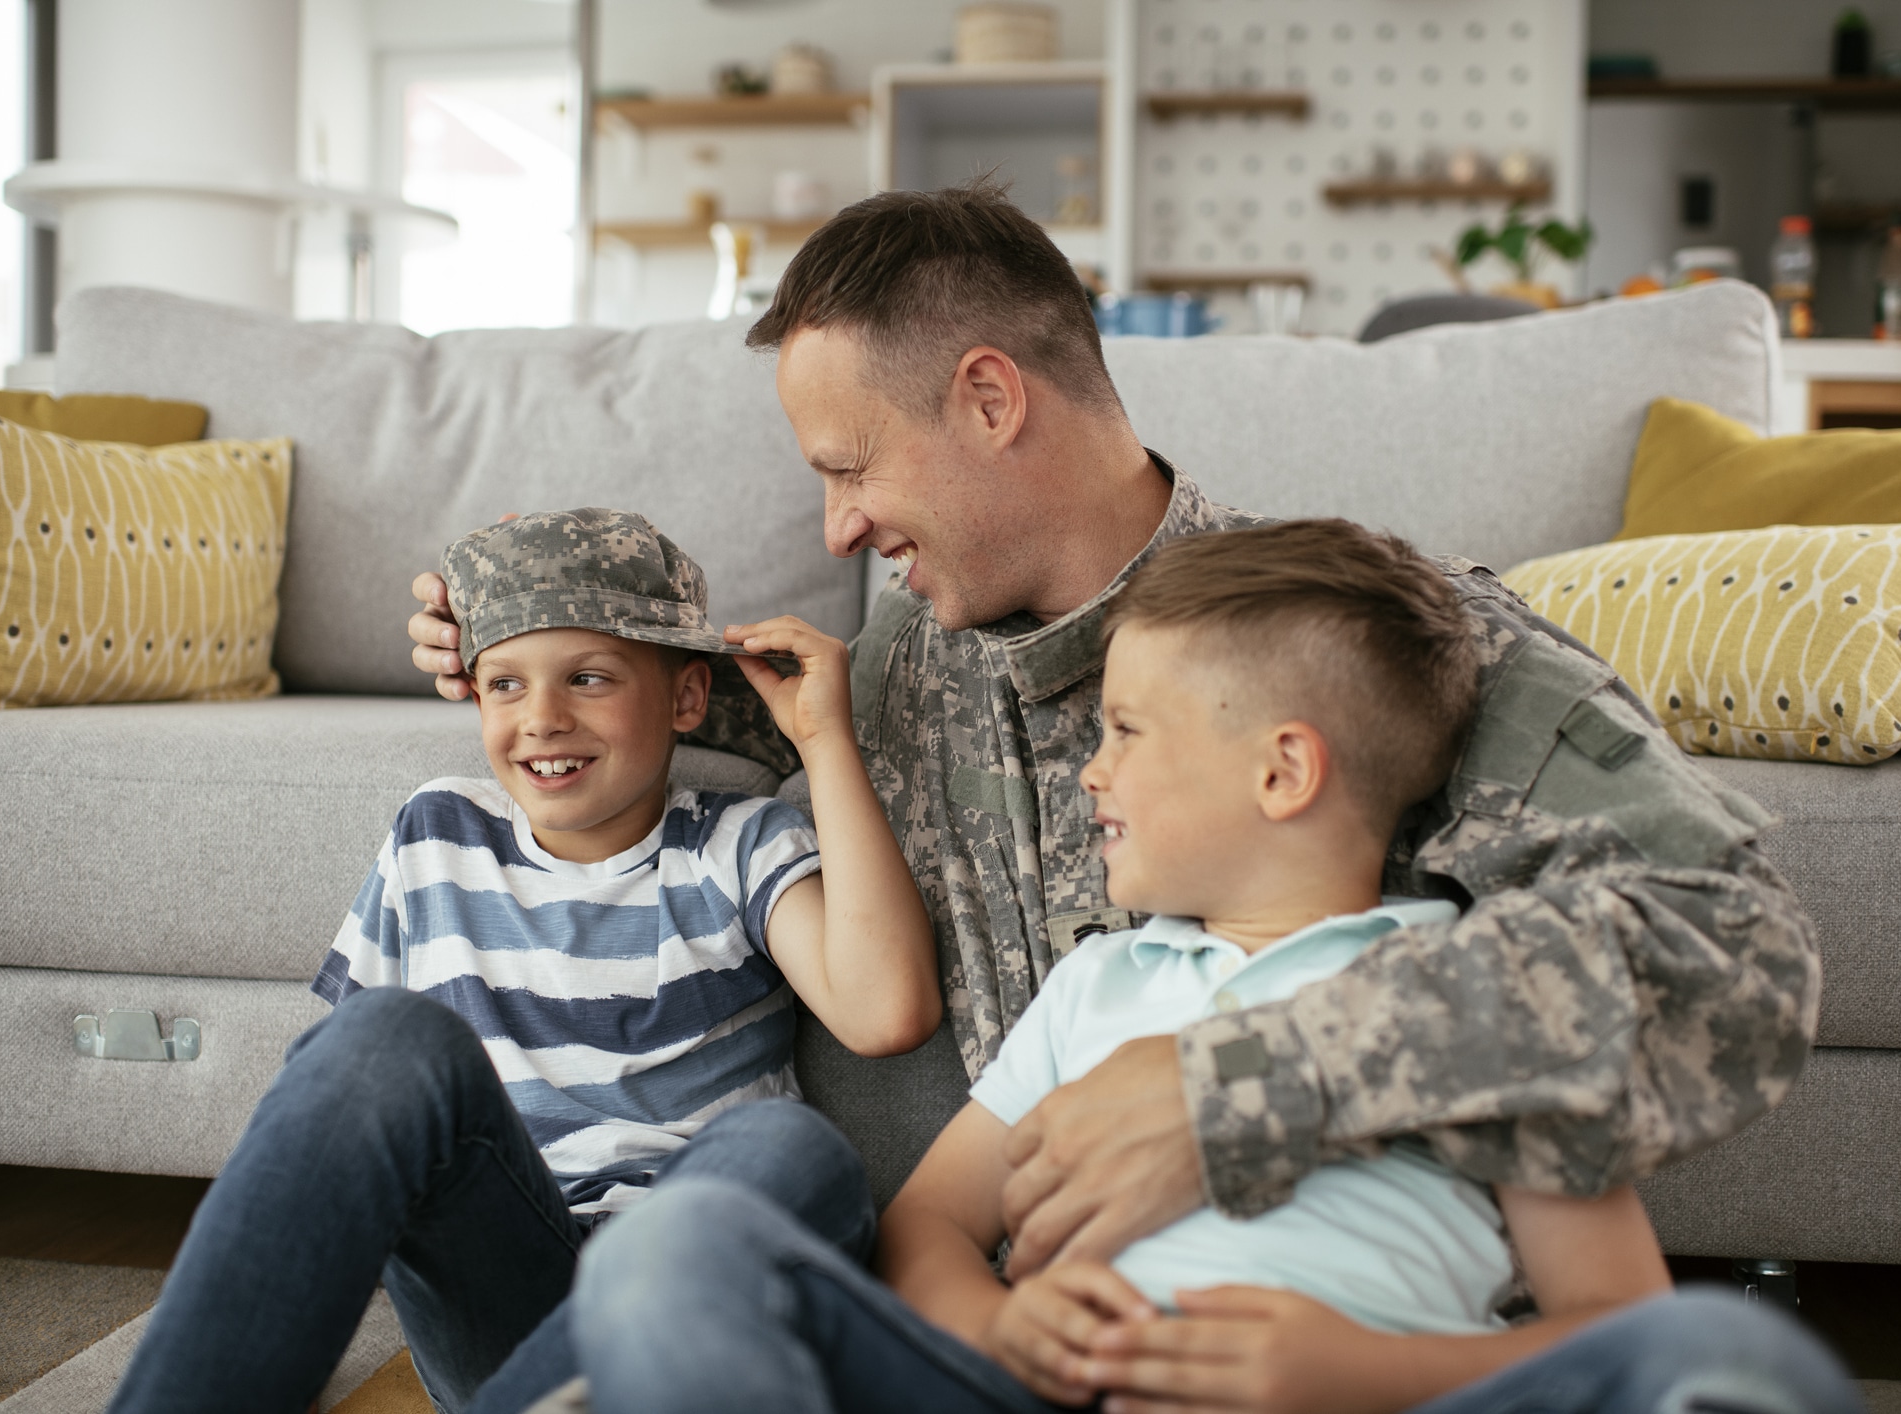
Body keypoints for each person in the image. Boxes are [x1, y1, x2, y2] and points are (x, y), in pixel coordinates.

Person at [407, 181, 1820, 1394]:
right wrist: (518, 640)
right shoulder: (908, 668)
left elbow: (1730, 945)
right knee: (687, 1268)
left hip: (1353, 1353)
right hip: (1021, 1351)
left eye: (848, 469)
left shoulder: (1347, 644)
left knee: (1743, 1370)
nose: (834, 527)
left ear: (988, 397)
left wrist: (1245, 1083)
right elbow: (751, 718)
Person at [565, 520, 1858, 1414]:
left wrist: (1358, 1371)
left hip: (1374, 1394)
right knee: (672, 1251)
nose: (1091, 768)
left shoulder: (1474, 994)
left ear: (1283, 770)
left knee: (1729, 1346)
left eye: (1124, 730)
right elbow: (930, 1226)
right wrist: (1001, 1326)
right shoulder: (1102, 987)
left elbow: (1613, 1320)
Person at [109, 509, 939, 1414]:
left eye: (587, 678)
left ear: (686, 700)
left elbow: (885, 1010)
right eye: (504, 684)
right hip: (503, 1283)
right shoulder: (437, 829)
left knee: (788, 1147)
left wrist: (825, 742)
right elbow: (354, 1106)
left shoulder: (737, 845)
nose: (542, 718)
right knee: (375, 1038)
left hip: (691, 1271)